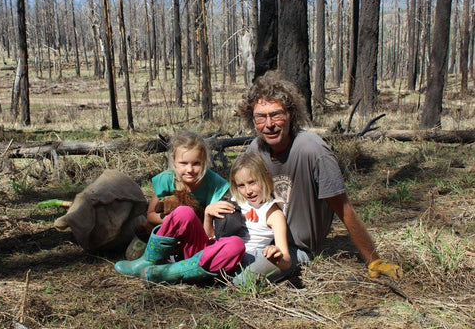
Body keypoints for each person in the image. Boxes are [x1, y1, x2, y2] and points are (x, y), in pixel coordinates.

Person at [235, 70, 402, 280]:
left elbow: (343, 208)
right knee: (214, 265)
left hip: (294, 249)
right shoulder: (255, 149)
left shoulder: (312, 151)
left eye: (276, 114)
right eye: (261, 117)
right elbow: (239, 197)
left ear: (291, 114)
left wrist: (374, 260)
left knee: (243, 281)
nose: (269, 124)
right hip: (256, 241)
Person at [116, 131, 244, 281]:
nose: (190, 169)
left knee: (237, 244)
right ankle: (149, 260)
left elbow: (213, 232)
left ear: (205, 162)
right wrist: (176, 223)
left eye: (196, 163)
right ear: (174, 162)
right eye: (183, 163)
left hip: (200, 247)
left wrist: (208, 214)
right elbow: (150, 215)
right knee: (184, 212)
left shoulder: (215, 184)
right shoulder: (166, 179)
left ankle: (171, 272)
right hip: (171, 241)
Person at [222, 152, 293, 285]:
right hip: (231, 251)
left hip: (253, 257)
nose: (248, 191)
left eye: (252, 182)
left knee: (240, 281)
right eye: (241, 186)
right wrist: (208, 215)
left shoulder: (273, 213)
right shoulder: (238, 203)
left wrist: (277, 257)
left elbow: (287, 260)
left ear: (265, 178)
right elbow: (212, 235)